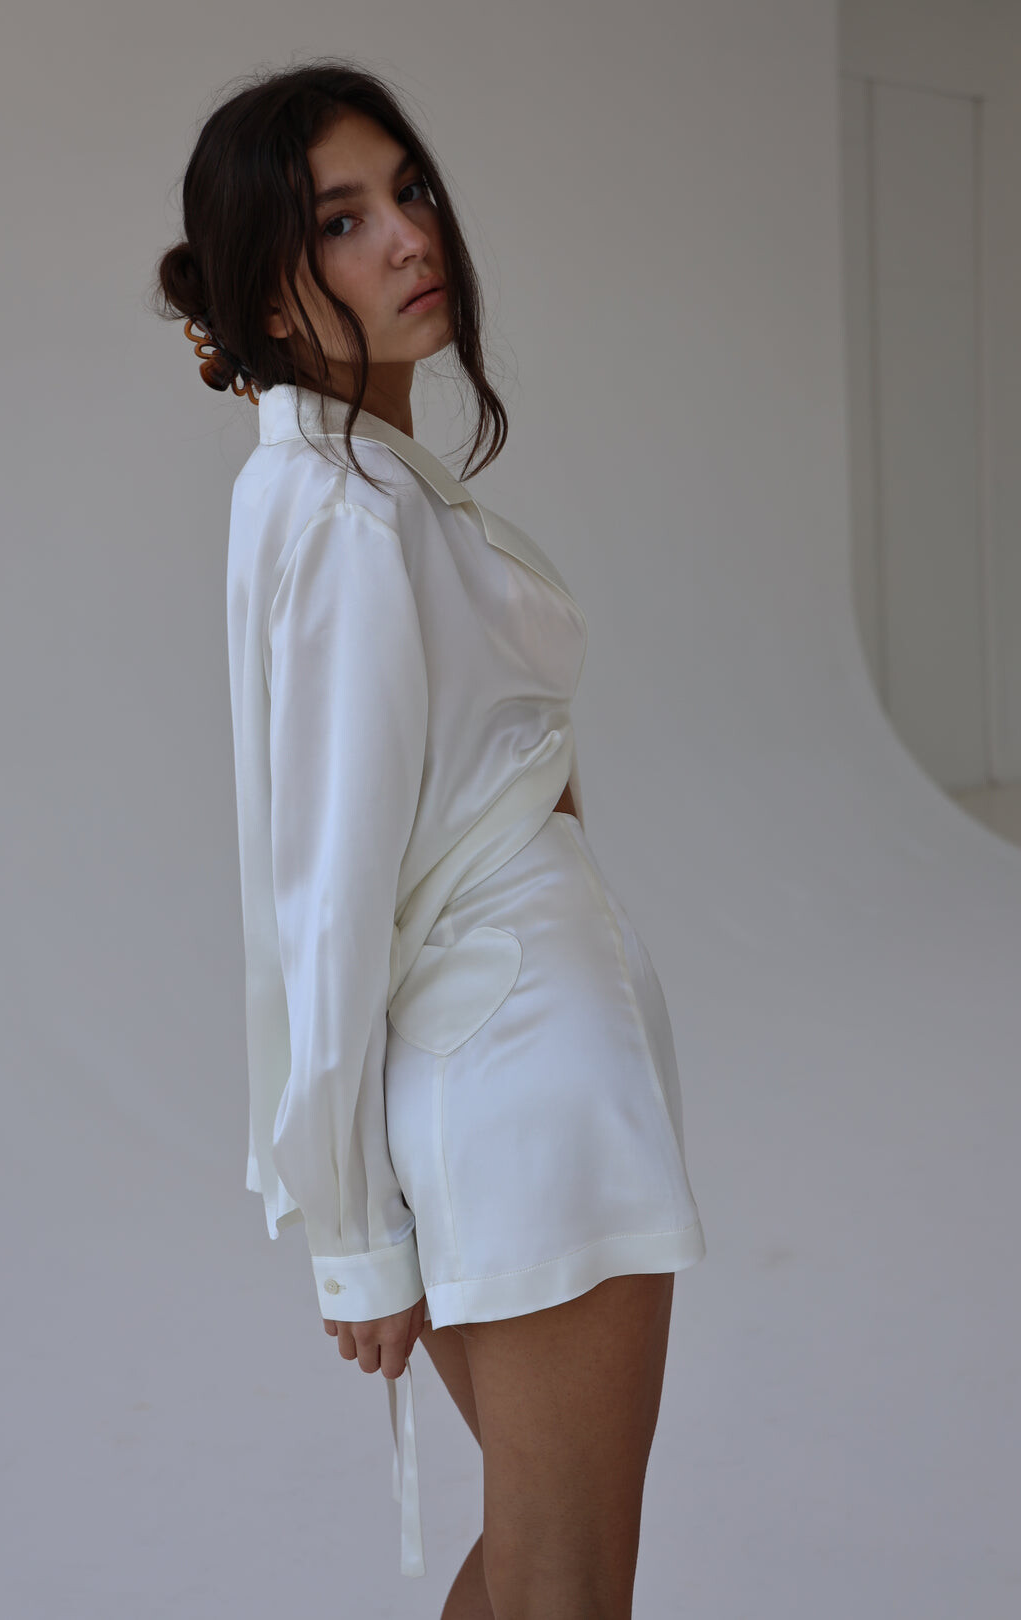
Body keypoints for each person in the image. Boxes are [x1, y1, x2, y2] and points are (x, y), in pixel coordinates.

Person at [155, 57, 706, 1620]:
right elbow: (320, 898)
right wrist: (349, 1233)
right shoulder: (340, 512)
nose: (410, 236)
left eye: (408, 192)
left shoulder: (359, 482)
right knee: (566, 1585)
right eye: (342, 220)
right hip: (519, 1087)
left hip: (511, 1064)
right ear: (269, 285)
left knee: (540, 1573)